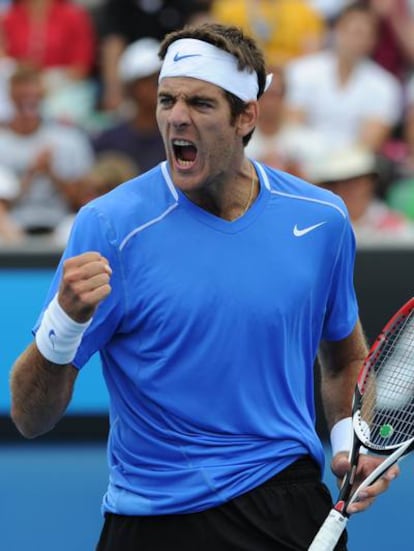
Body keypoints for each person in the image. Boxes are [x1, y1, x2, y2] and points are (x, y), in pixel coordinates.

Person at [9, 22, 398, 551]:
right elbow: (31, 418)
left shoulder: (321, 219)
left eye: (201, 103)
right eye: (167, 99)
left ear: (247, 116)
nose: (176, 117)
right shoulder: (109, 226)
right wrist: (62, 323)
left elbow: (345, 360)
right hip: (153, 522)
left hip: (284, 505)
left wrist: (346, 440)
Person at [284, 1, 403, 154]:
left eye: (364, 34)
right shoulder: (301, 71)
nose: (356, 40)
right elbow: (292, 128)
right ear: (337, 30)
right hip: (301, 161)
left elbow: (369, 144)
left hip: (355, 169)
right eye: (353, 31)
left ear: (374, 40)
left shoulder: (386, 86)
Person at [0, 63, 95, 235]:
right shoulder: (3, 143)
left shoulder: (69, 138)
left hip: (61, 221)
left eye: (32, 91)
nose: (28, 98)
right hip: (13, 223)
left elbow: (82, 200)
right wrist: (31, 173)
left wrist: (51, 172)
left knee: (76, 227)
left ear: (42, 94)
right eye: (21, 93)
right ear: (11, 96)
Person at [306, 144, 414, 244]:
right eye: (332, 184)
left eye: (353, 182)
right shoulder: (314, 228)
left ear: (370, 182)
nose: (343, 190)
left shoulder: (395, 227)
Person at [91, 37, 165, 173]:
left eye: (162, 77)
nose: (159, 85)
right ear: (132, 88)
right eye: (151, 80)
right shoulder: (108, 142)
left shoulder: (178, 138)